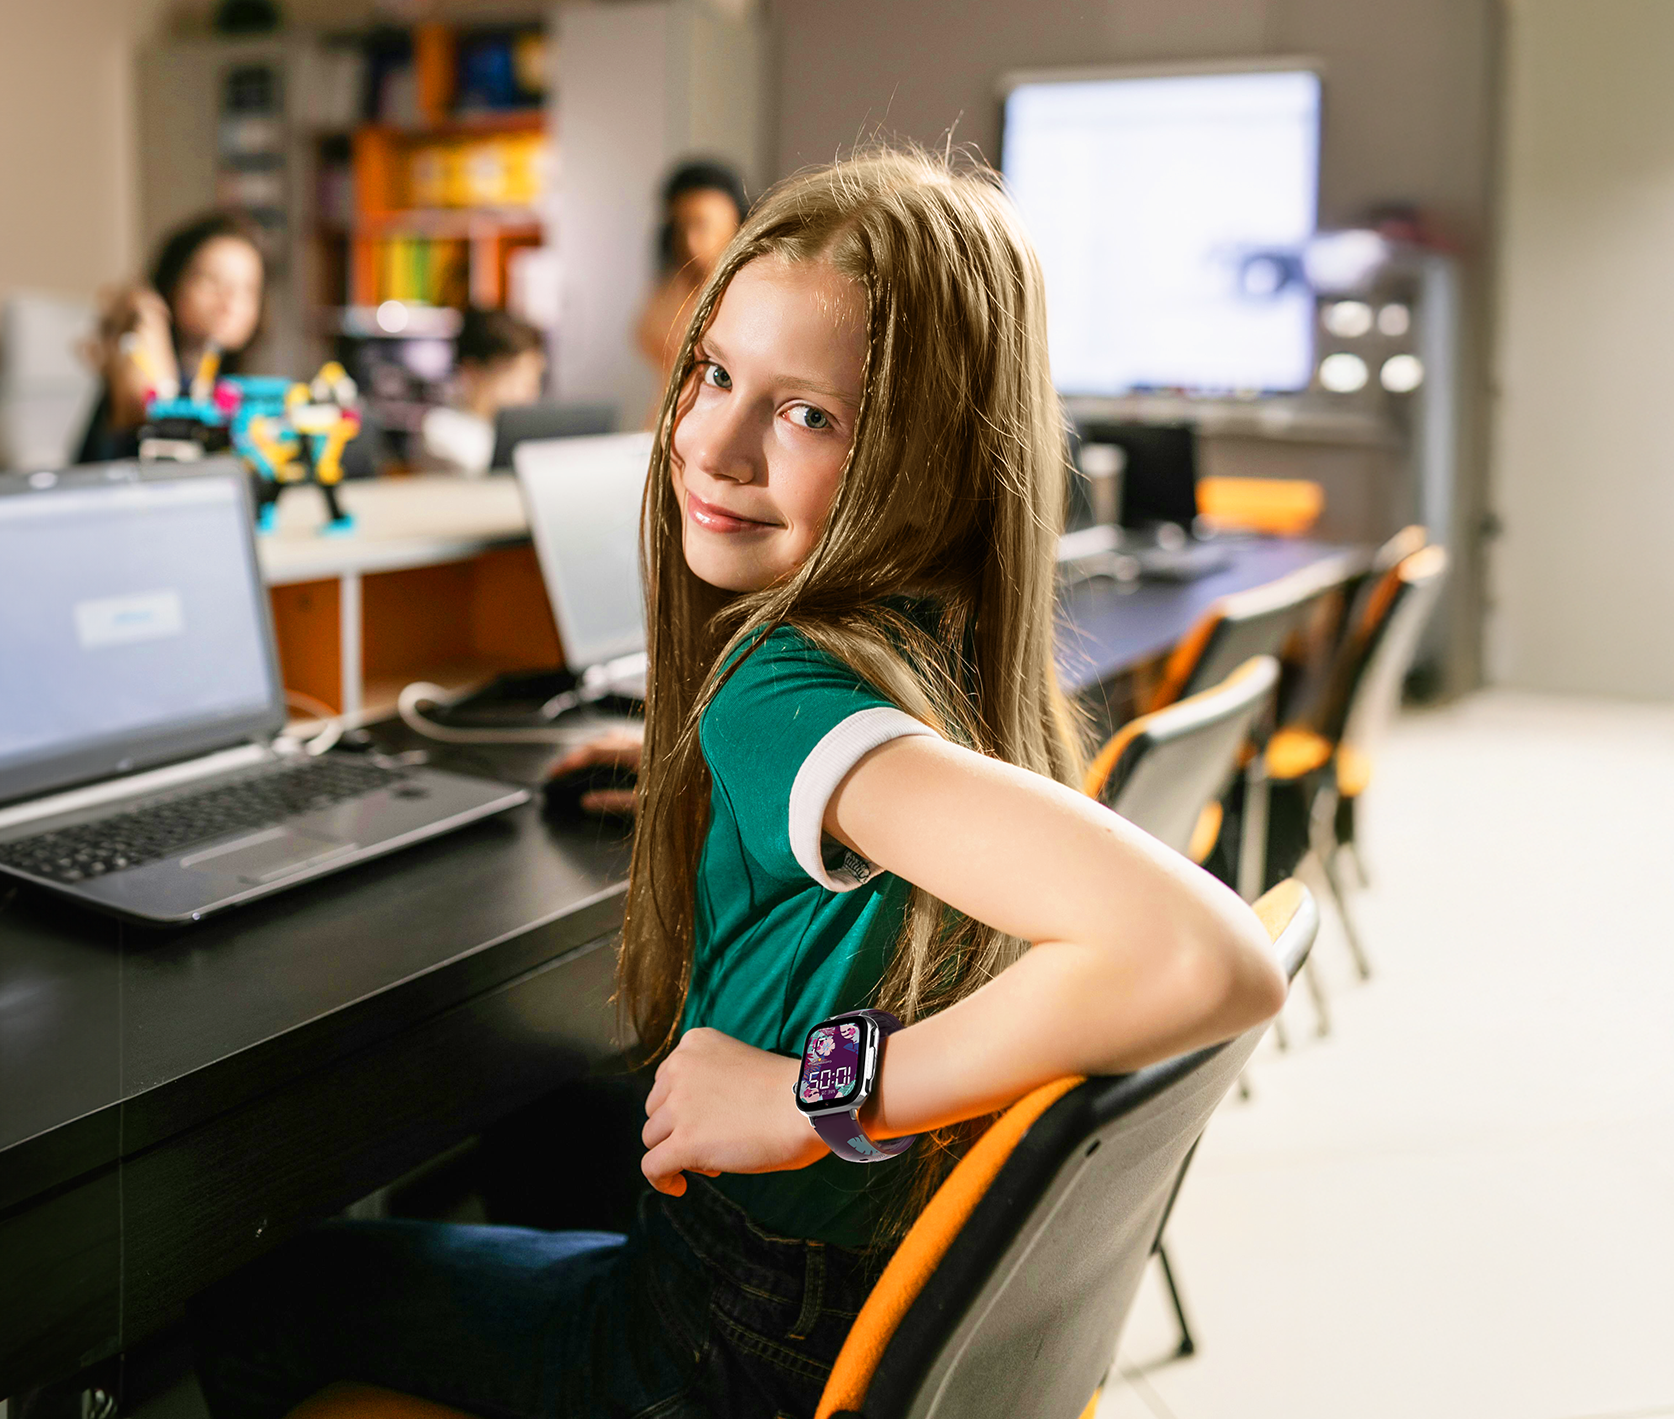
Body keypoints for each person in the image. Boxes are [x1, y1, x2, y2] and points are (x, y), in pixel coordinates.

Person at [188, 149, 1287, 1419]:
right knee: (546, 1122)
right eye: (714, 374)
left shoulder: (780, 689)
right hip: (864, 1294)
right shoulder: (950, 643)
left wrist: (809, 1095)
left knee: (269, 1298)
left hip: (733, 1337)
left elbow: (1210, 957)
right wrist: (710, 778)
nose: (711, 444)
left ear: (928, 455)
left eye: (807, 414)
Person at [77, 211, 265, 464]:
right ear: (173, 282)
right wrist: (148, 317)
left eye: (247, 288)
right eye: (212, 281)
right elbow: (150, 407)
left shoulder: (229, 385)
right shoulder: (138, 357)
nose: (230, 302)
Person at [634, 159, 749, 384]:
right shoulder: (672, 284)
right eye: (680, 227)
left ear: (735, 222)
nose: (689, 241)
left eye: (702, 225)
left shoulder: (751, 293)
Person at [419, 308, 547, 475]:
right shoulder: (440, 429)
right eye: (515, 376)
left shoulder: (531, 433)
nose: (529, 393)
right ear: (472, 372)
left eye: (534, 379)